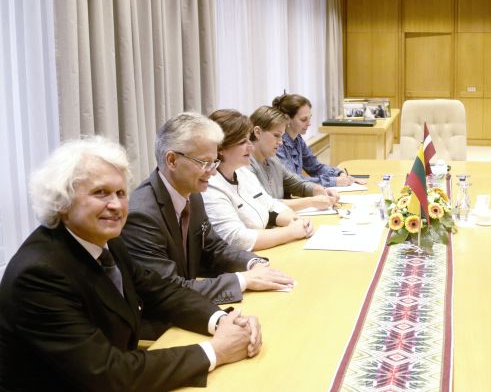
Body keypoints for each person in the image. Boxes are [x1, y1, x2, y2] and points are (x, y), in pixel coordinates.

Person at [0, 137, 262, 391]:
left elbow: (161, 292)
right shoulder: (39, 274)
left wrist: (222, 321)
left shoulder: (105, 240)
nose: (116, 205)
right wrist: (215, 351)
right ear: (62, 202)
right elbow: (108, 374)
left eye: (121, 193)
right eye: (101, 193)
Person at [121, 112, 295, 322]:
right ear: (172, 160)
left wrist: (253, 263)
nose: (212, 172)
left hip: (191, 307)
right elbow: (169, 289)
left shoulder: (192, 192)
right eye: (204, 162)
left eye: (214, 162)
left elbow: (213, 248)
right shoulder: (141, 215)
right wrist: (243, 280)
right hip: (160, 323)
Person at [203, 109, 314, 251]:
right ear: (220, 148)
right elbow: (238, 239)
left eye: (249, 140)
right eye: (243, 142)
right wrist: (291, 232)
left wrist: (296, 221)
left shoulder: (242, 172)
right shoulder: (210, 186)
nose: (251, 147)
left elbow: (271, 205)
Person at [248, 105, 339, 212]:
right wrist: (311, 202)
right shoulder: (246, 166)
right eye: (276, 135)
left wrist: (319, 190)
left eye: (282, 136)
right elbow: (265, 204)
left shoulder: (273, 160)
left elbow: (298, 184)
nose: (281, 142)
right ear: (258, 132)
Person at [273, 93, 365, 187]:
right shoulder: (277, 144)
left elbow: (315, 167)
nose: (309, 123)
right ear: (287, 118)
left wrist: (339, 174)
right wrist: (334, 181)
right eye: (303, 119)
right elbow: (293, 181)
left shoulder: (297, 139)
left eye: (309, 118)